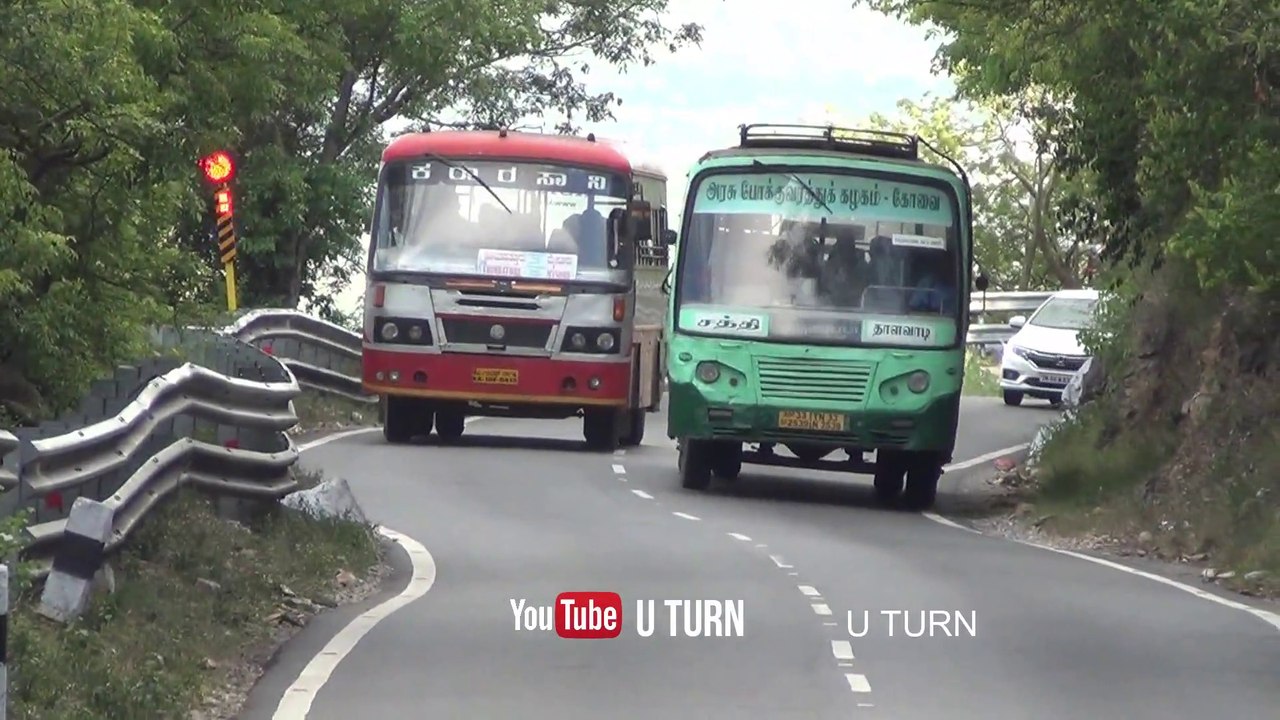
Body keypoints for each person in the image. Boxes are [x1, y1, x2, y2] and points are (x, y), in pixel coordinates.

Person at [906, 249, 957, 314]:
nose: (946, 266)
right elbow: (913, 307)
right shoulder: (927, 283)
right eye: (944, 263)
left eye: (949, 264)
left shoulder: (960, 287)